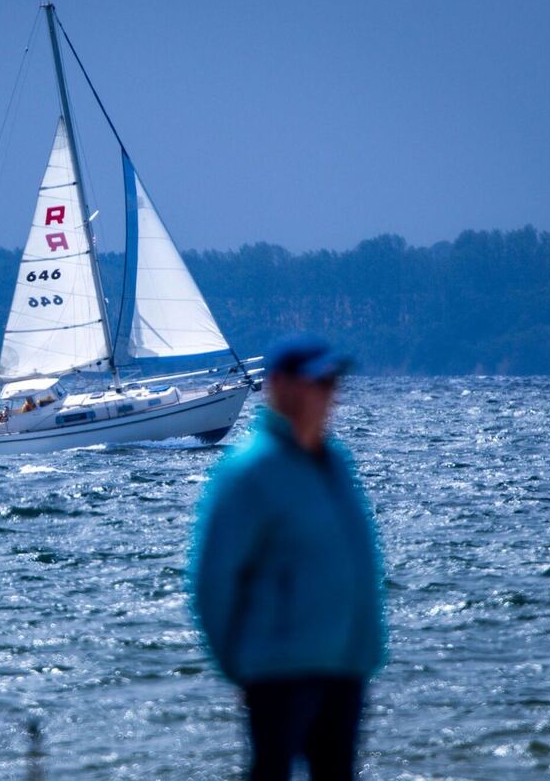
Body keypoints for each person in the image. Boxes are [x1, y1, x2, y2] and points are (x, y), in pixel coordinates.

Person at [189, 334, 386, 781]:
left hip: (345, 665)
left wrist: (367, 652)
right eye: (317, 382)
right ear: (279, 385)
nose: (328, 394)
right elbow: (213, 582)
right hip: (277, 669)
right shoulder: (249, 470)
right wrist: (239, 666)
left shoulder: (334, 461)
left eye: (332, 383)